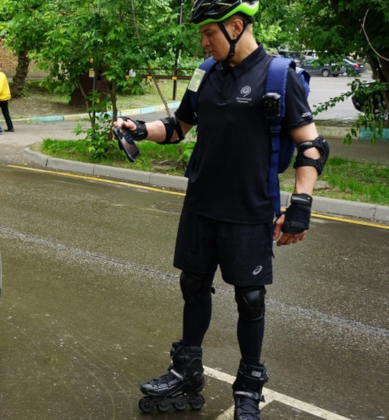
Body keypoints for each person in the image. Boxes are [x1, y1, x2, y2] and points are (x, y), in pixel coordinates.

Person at [113, 1, 328, 419]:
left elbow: (311, 146)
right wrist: (139, 128)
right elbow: (178, 127)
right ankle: (188, 369)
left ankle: (248, 388)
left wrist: (300, 203)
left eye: (209, 33)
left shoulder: (280, 76)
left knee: (250, 299)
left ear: (235, 26)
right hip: (201, 203)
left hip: (250, 208)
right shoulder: (205, 73)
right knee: (193, 287)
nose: (204, 41)